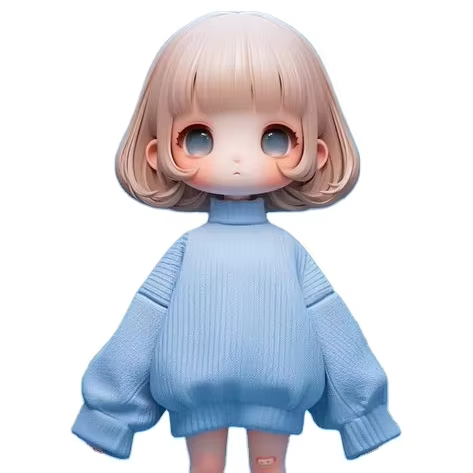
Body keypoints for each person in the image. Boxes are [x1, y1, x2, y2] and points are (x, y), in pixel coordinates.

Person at [72, 11, 401, 473]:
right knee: (208, 467)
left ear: (317, 151)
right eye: (199, 138)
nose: (239, 157)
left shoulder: (288, 253)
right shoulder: (187, 252)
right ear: (157, 152)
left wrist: (362, 414)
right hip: (198, 397)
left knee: (266, 466)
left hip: (276, 398)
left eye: (275, 137)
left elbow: (333, 327)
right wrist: (109, 417)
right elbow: (142, 327)